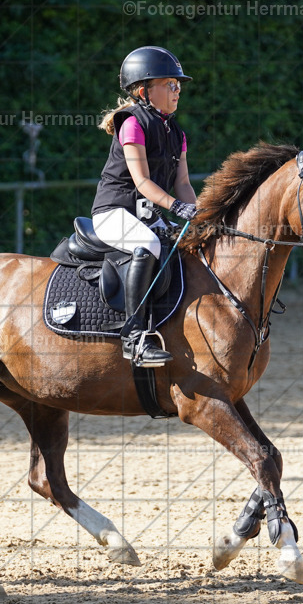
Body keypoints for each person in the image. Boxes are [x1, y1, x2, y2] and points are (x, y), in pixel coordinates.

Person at [91, 46, 197, 366]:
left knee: (190, 246)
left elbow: (183, 183)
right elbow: (141, 181)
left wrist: (199, 213)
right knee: (148, 244)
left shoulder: (176, 132)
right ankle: (133, 337)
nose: (177, 90)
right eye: (170, 84)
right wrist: (177, 207)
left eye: (178, 85)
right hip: (114, 212)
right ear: (143, 91)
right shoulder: (132, 124)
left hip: (146, 215)